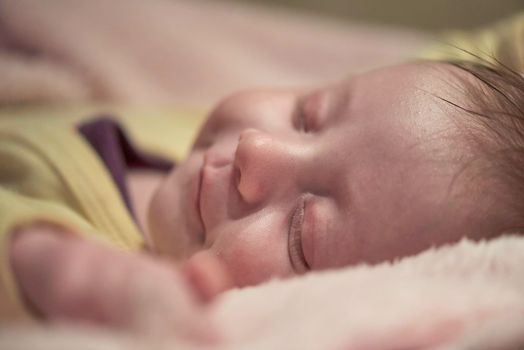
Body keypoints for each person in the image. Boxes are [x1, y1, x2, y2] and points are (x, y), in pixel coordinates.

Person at [1, 12, 523, 336]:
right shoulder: (191, 131)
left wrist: (47, 264)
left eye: (301, 232)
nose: (258, 150)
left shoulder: (114, 266)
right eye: (307, 115)